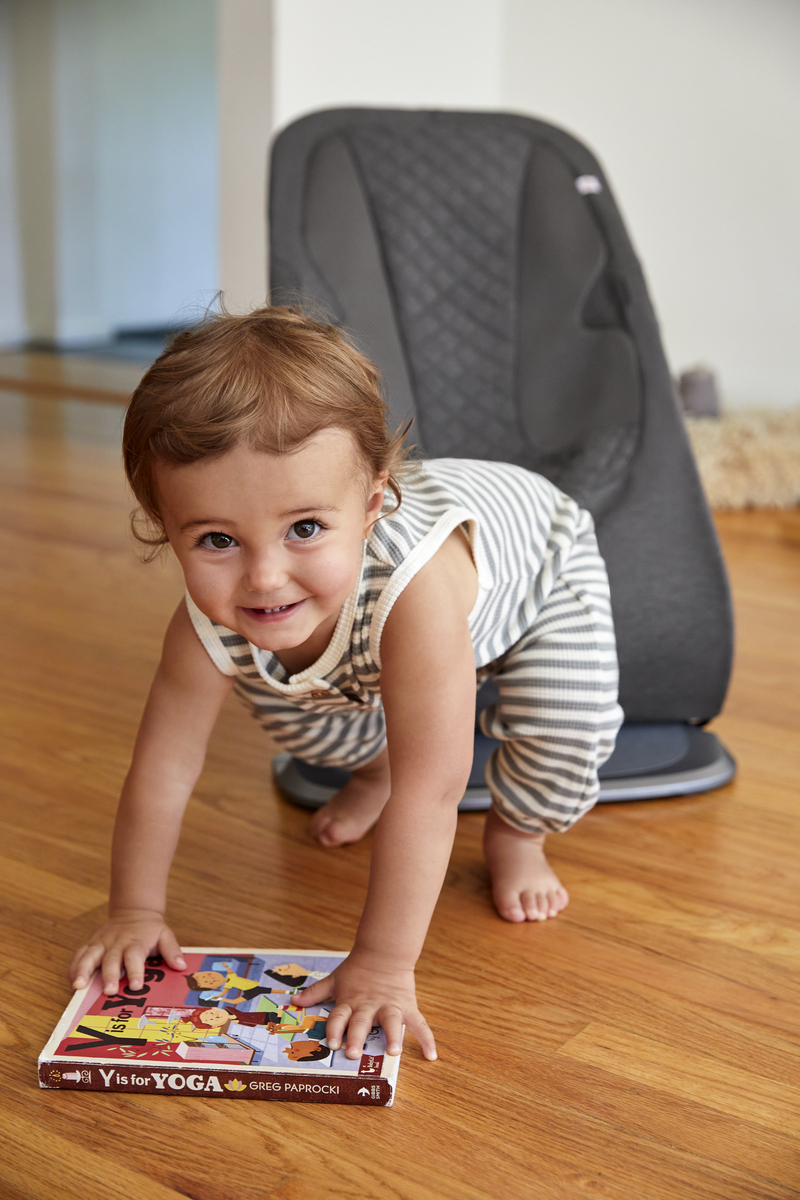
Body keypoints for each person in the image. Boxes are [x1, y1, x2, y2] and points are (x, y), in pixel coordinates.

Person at [68, 306, 623, 1063]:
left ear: (369, 509)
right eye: (218, 540)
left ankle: (520, 834)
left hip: (539, 570)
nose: (265, 577)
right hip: (374, 636)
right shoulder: (206, 625)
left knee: (565, 723)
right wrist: (134, 910)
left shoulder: (414, 596)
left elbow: (434, 790)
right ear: (168, 529)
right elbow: (164, 768)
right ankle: (371, 769)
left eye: (304, 528)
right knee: (299, 708)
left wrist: (384, 965)